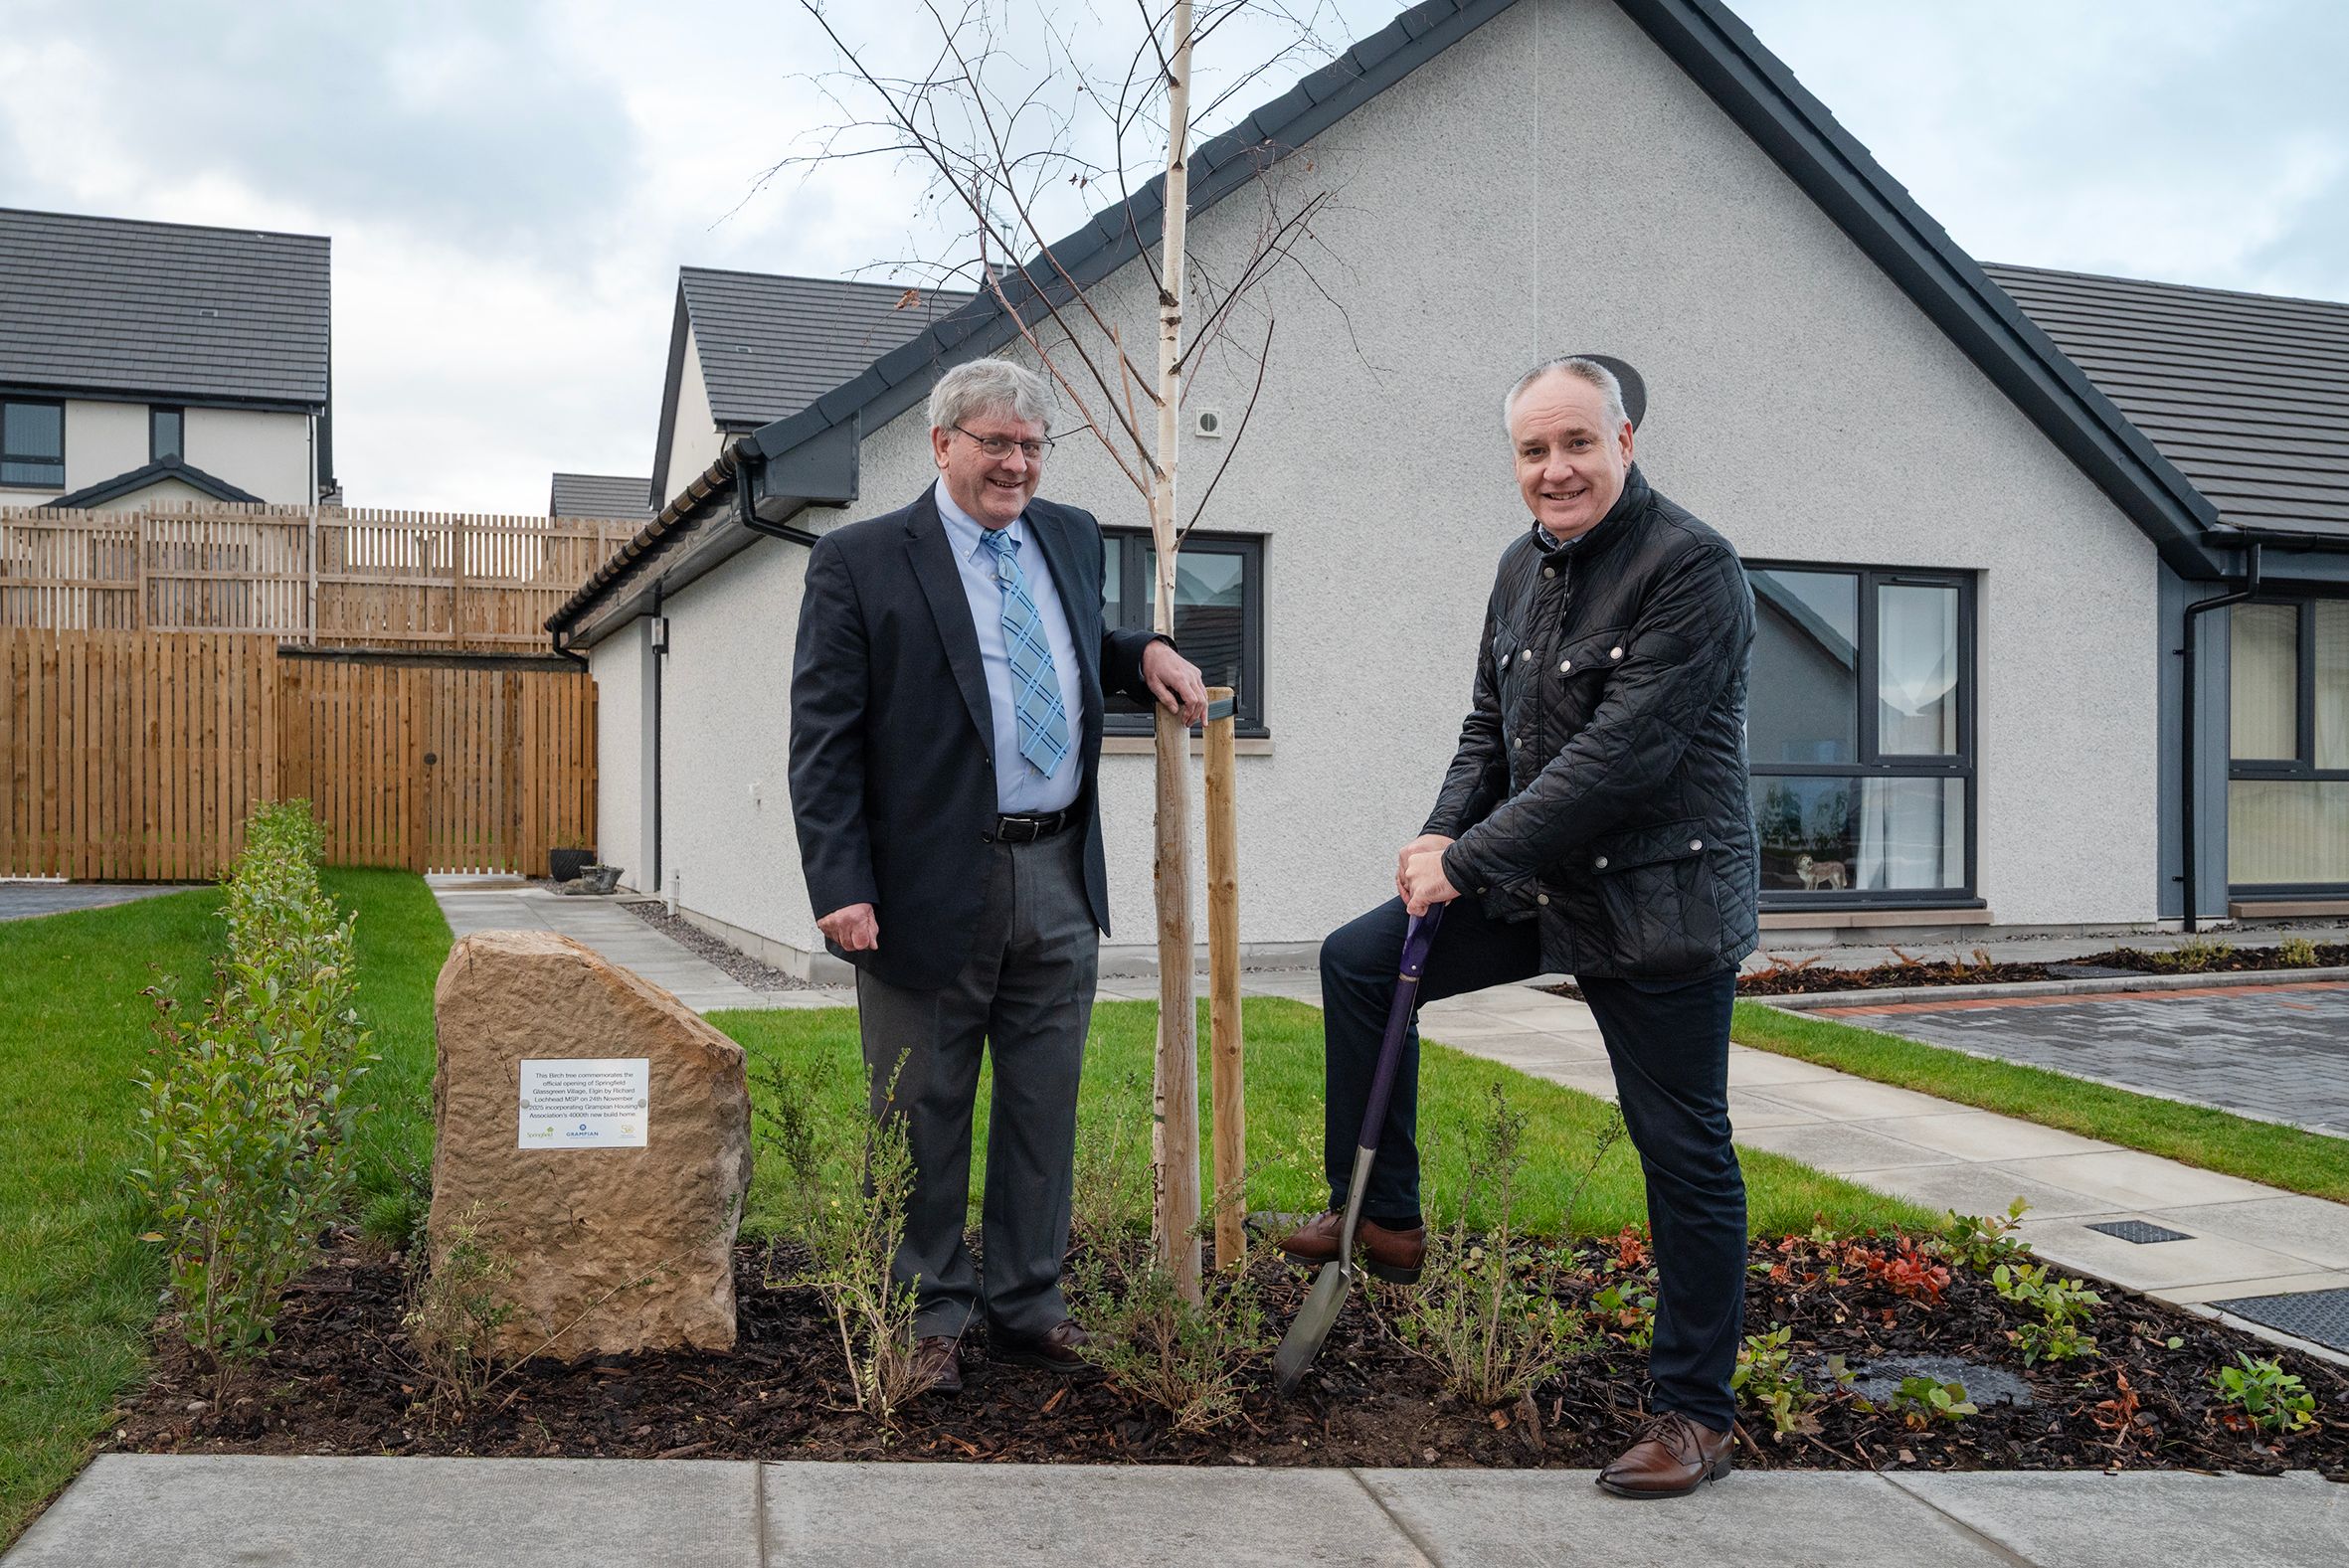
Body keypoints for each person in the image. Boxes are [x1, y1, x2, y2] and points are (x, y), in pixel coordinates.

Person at [1279, 356, 1758, 1497]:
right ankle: (1384, 1218)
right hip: (1544, 884)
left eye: (1576, 445)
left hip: (1657, 901)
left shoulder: (1692, 567)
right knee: (1356, 959)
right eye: (1533, 451)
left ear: (1624, 441)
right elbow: (1489, 727)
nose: (1555, 470)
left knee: (1683, 1153)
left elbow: (1620, 760)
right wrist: (1431, 848)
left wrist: (1471, 858)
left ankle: (1696, 1413)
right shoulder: (1521, 566)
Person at [789, 358, 1206, 1398]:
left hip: (1058, 869)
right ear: (941, 445)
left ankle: (1027, 1301)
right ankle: (927, 1313)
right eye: (995, 442)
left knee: (1041, 1103)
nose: (1016, 462)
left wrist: (1140, 647)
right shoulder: (861, 560)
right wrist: (840, 880)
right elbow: (823, 740)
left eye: (1030, 444)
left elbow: (1060, 640)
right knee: (920, 1108)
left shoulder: (1066, 534)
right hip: (925, 884)